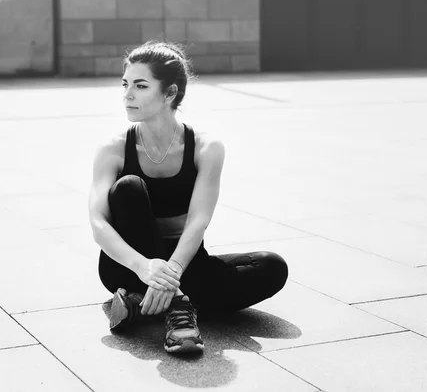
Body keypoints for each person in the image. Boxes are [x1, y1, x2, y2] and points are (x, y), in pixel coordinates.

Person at [88, 40, 288, 354]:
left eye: (140, 86)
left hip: (185, 260)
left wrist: (173, 272)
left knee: (272, 267)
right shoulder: (112, 148)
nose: (127, 95)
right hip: (127, 264)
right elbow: (98, 223)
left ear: (170, 93)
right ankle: (179, 307)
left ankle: (142, 301)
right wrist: (144, 267)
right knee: (128, 187)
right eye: (125, 84)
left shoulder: (206, 147)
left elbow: (198, 221)